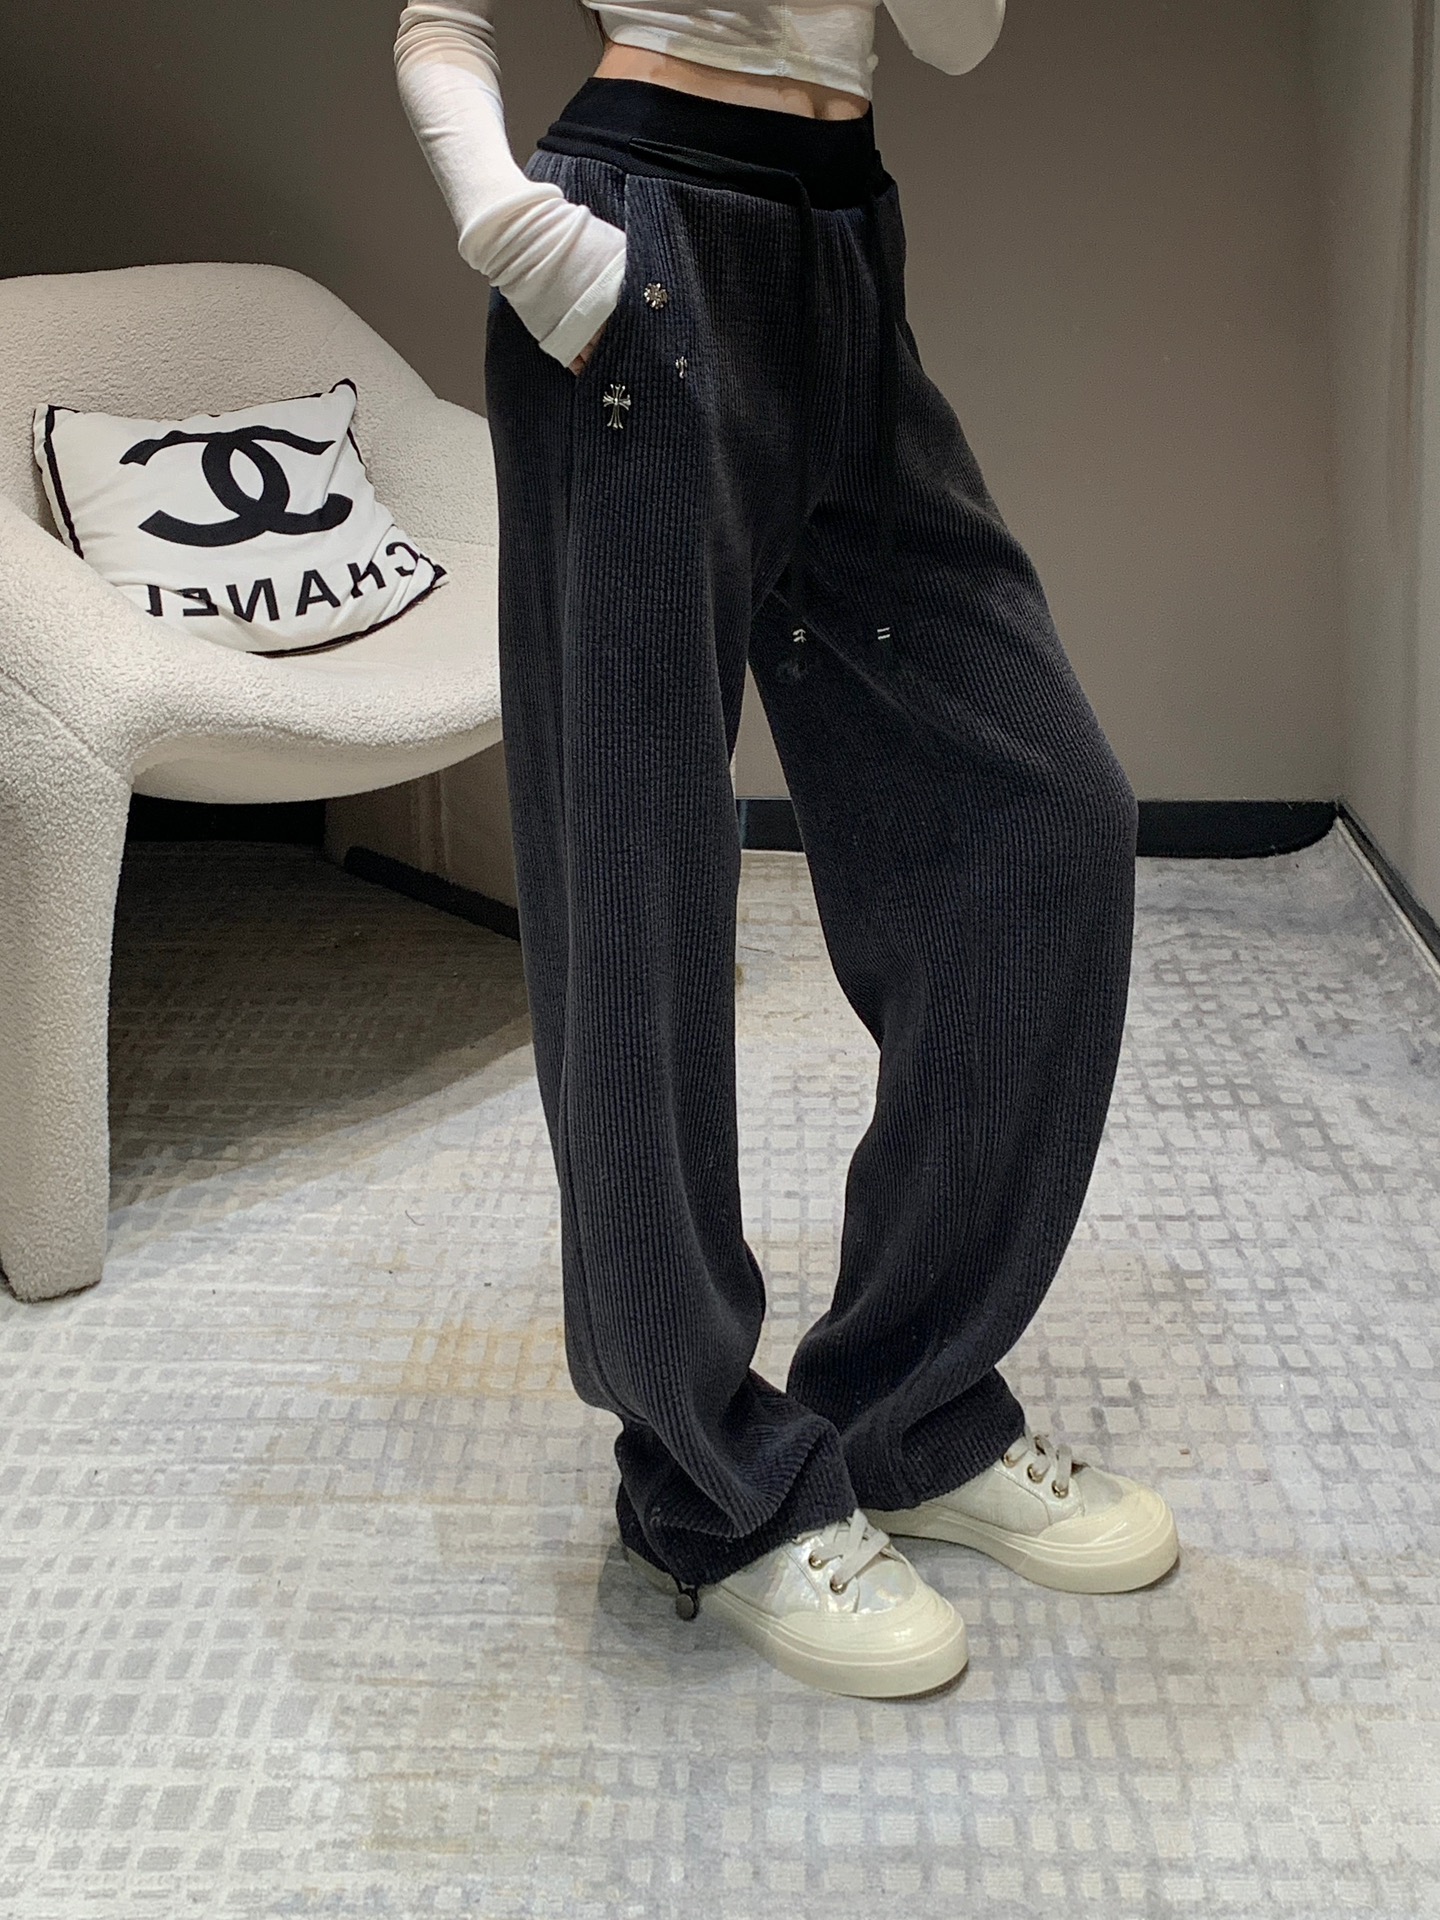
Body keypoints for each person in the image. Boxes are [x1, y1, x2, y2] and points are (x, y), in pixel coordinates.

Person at [393, 0, 1180, 1700]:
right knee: (641, 883)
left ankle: (907, 1408)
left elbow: (953, 39)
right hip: (636, 246)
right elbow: (438, 20)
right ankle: (705, 1488)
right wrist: (512, 227)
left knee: (1047, 811)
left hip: (844, 252)